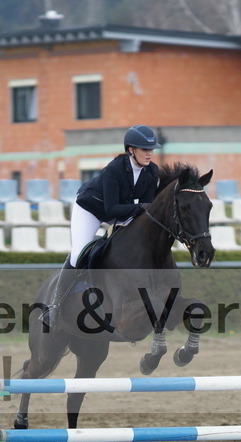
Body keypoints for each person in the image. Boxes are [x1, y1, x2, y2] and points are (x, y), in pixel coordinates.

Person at [42, 124, 162, 325]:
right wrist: (142, 207)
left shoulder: (152, 172)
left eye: (151, 150)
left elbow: (145, 209)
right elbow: (112, 210)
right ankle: (54, 306)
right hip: (91, 210)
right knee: (79, 253)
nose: (150, 154)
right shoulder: (114, 170)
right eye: (145, 150)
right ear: (131, 150)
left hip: (121, 210)